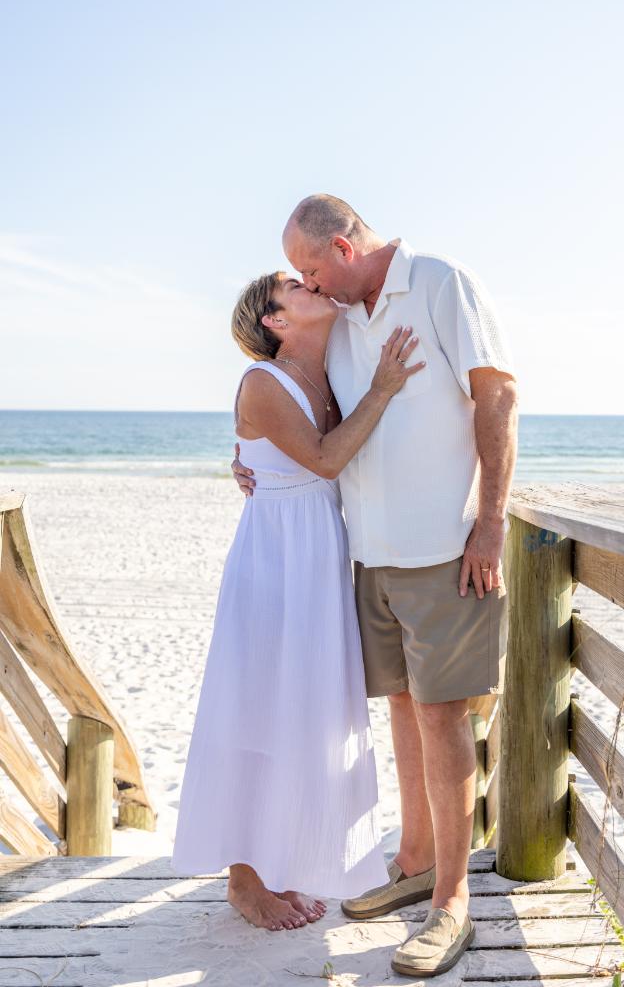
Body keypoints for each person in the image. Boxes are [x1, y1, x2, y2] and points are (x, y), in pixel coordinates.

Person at [233, 196, 517, 977]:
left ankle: (450, 903)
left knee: (441, 714)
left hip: (442, 552)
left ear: (346, 244)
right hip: (368, 557)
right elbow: (305, 421)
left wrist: (490, 521)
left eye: (311, 266)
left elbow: (497, 397)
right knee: (401, 707)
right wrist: (252, 462)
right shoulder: (346, 316)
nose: (306, 281)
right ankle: (416, 860)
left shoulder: (439, 283)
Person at [172, 269, 423, 932]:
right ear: (275, 321)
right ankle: (244, 880)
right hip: (274, 562)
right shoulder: (263, 380)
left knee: (300, 710)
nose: (310, 284)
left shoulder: (330, 368)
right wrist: (384, 389)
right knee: (255, 704)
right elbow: (325, 457)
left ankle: (280, 861)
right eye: (294, 286)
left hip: (318, 556)